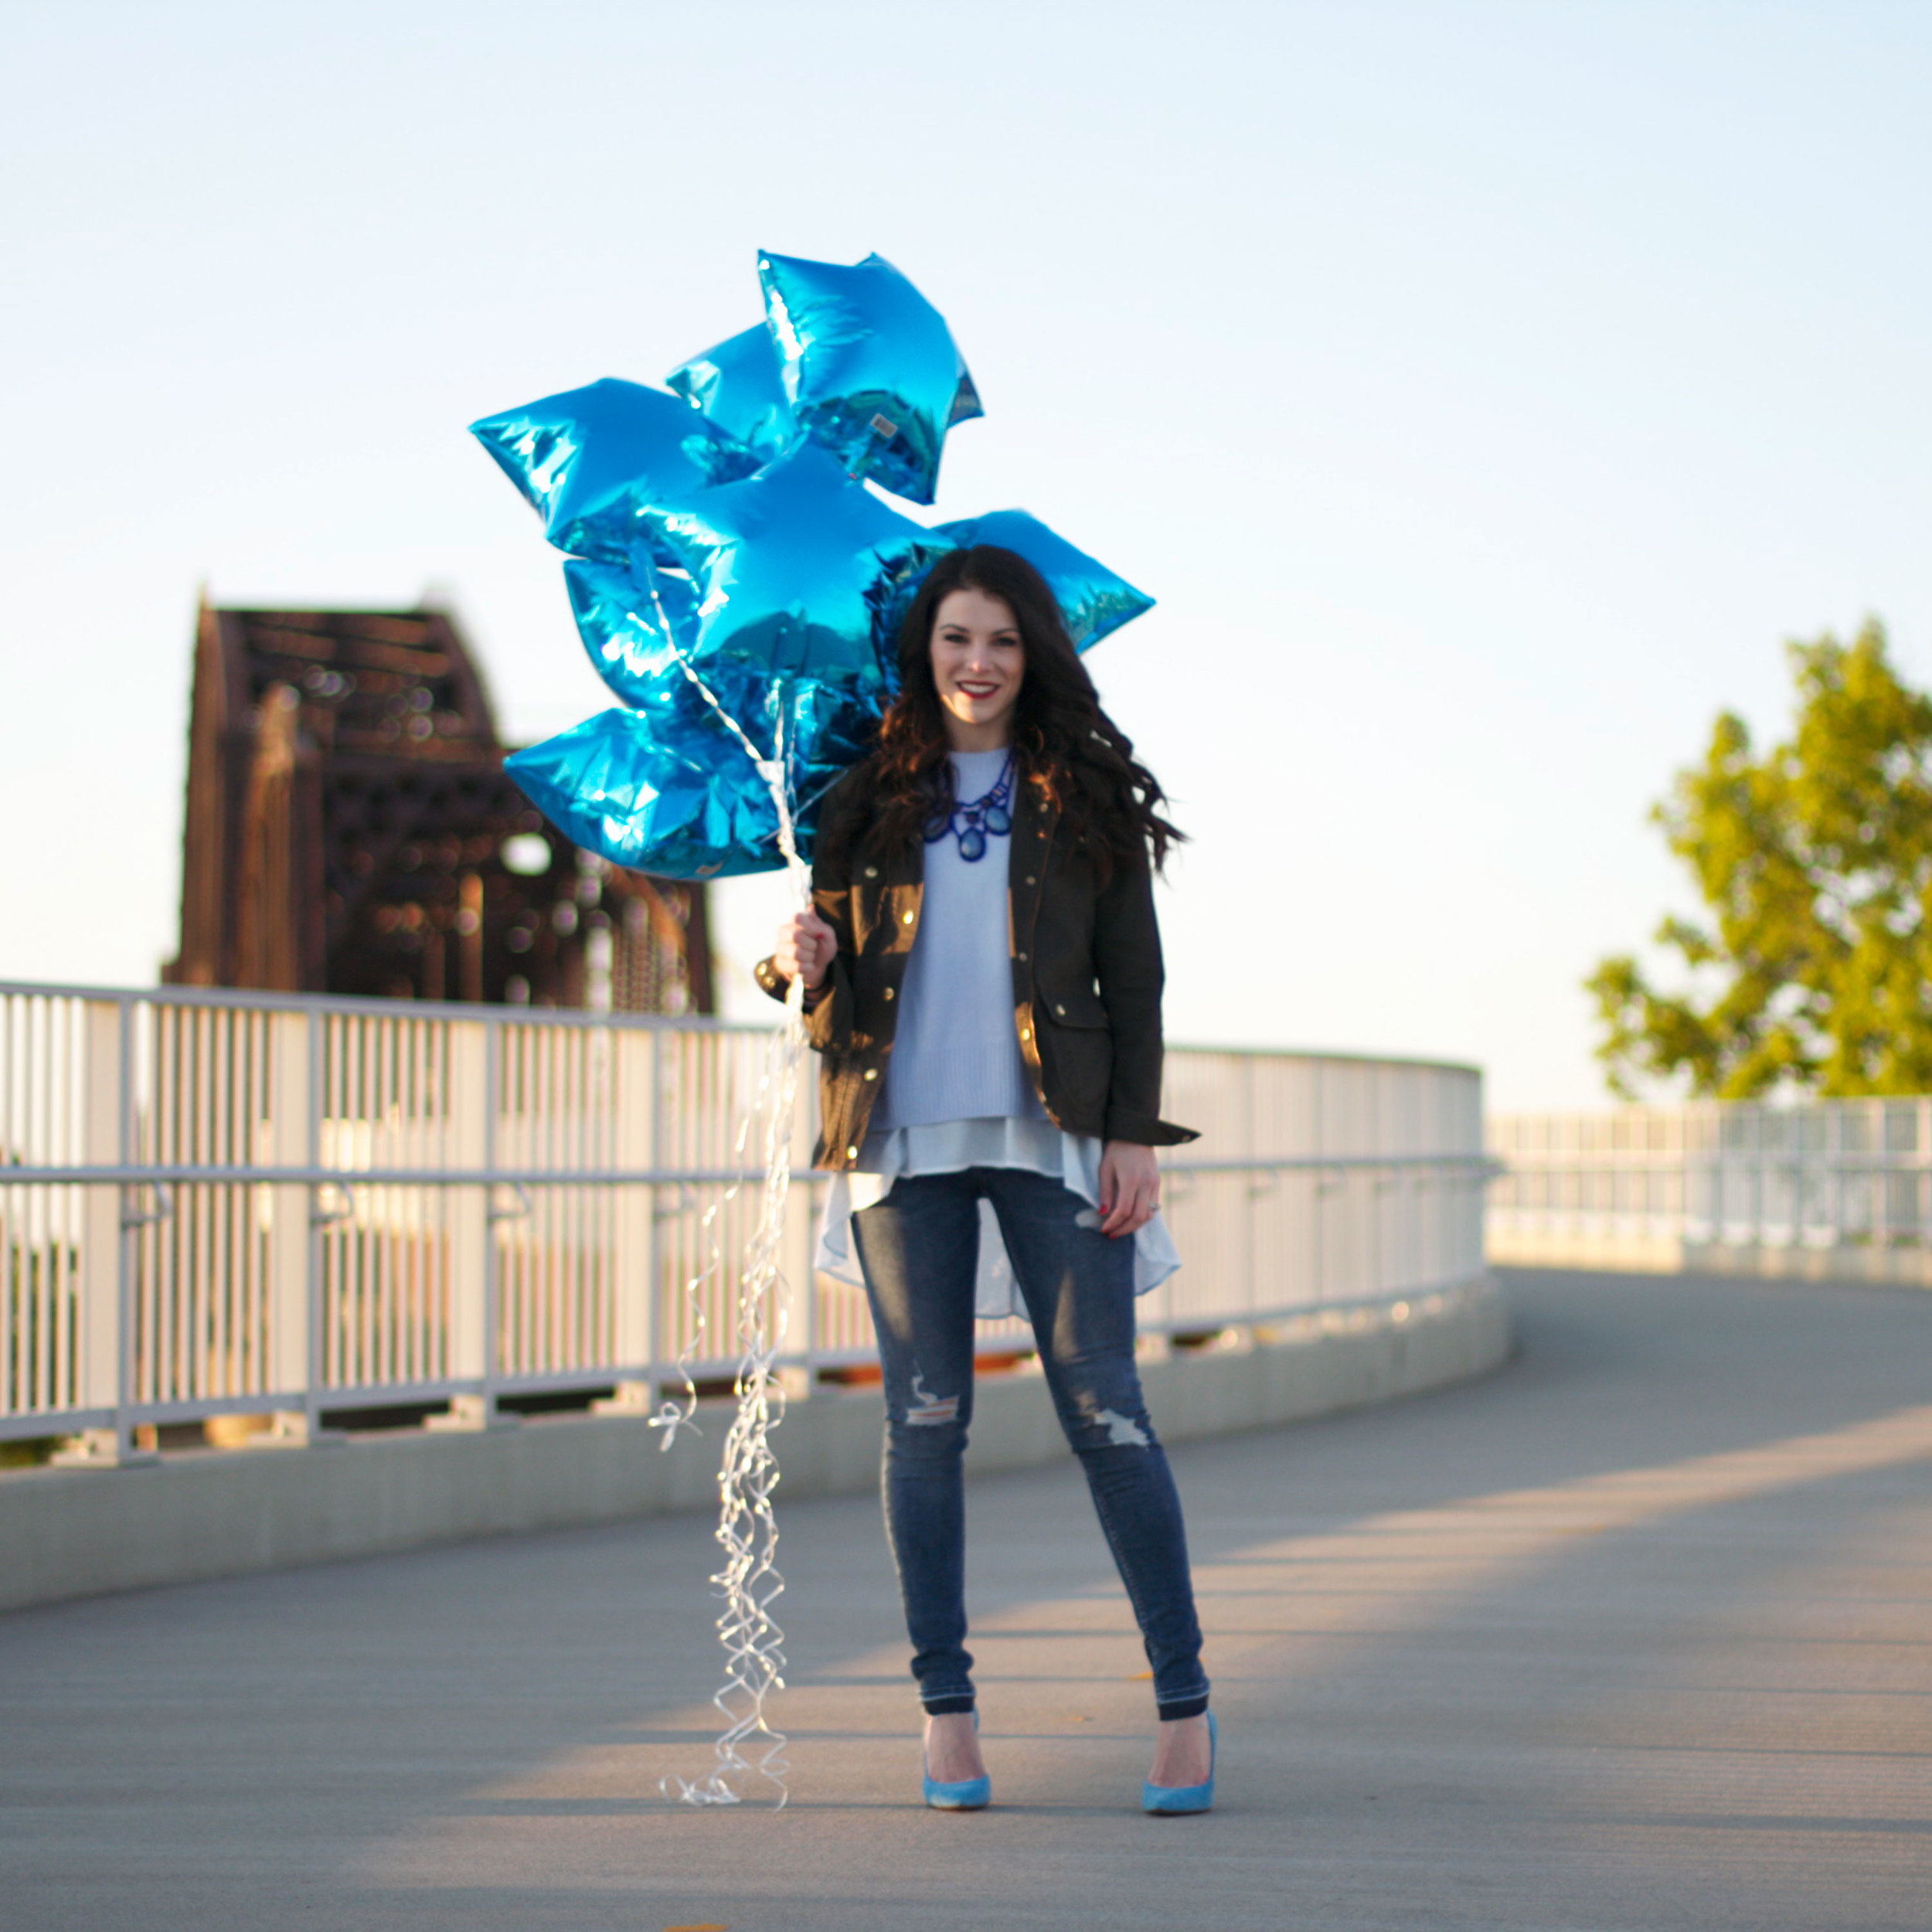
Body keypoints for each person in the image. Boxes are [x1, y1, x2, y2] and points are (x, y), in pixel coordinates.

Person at [757, 546, 1216, 1815]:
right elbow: (829, 1009)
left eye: (1003, 641)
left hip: (1054, 1132)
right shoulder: (860, 803)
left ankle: (1183, 1704)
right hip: (900, 1141)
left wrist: (1134, 1133)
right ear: (924, 650)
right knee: (924, 1426)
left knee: (1107, 1412)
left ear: (1035, 657)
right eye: (957, 638)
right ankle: (945, 1713)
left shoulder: (1083, 799)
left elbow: (1138, 979)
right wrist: (799, 958)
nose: (978, 662)